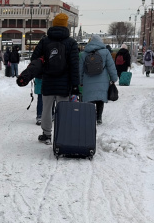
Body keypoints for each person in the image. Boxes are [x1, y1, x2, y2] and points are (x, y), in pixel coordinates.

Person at [31, 13, 80, 144]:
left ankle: (46, 134)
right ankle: (62, 133)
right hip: (64, 83)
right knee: (62, 109)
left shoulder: (45, 41)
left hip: (48, 81)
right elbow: (75, 65)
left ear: (53, 24)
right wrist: (75, 85)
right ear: (66, 25)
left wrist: (42, 73)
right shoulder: (71, 43)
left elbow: (34, 60)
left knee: (46, 109)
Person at [79, 35, 118, 125]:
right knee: (100, 99)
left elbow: (80, 69)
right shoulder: (105, 52)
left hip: (88, 80)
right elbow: (111, 66)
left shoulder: (84, 53)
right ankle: (99, 117)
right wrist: (114, 78)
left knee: (91, 99)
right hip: (102, 79)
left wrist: (80, 81)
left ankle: (91, 116)